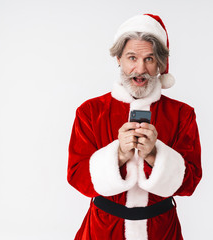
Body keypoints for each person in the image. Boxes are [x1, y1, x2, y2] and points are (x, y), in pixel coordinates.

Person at [68, 14, 202, 240]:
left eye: (149, 59)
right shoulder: (90, 112)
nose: (140, 69)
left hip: (162, 230)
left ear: (159, 63)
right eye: (132, 57)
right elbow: (76, 176)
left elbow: (190, 183)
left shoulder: (182, 114)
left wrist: (154, 155)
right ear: (119, 58)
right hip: (103, 230)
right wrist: (118, 154)